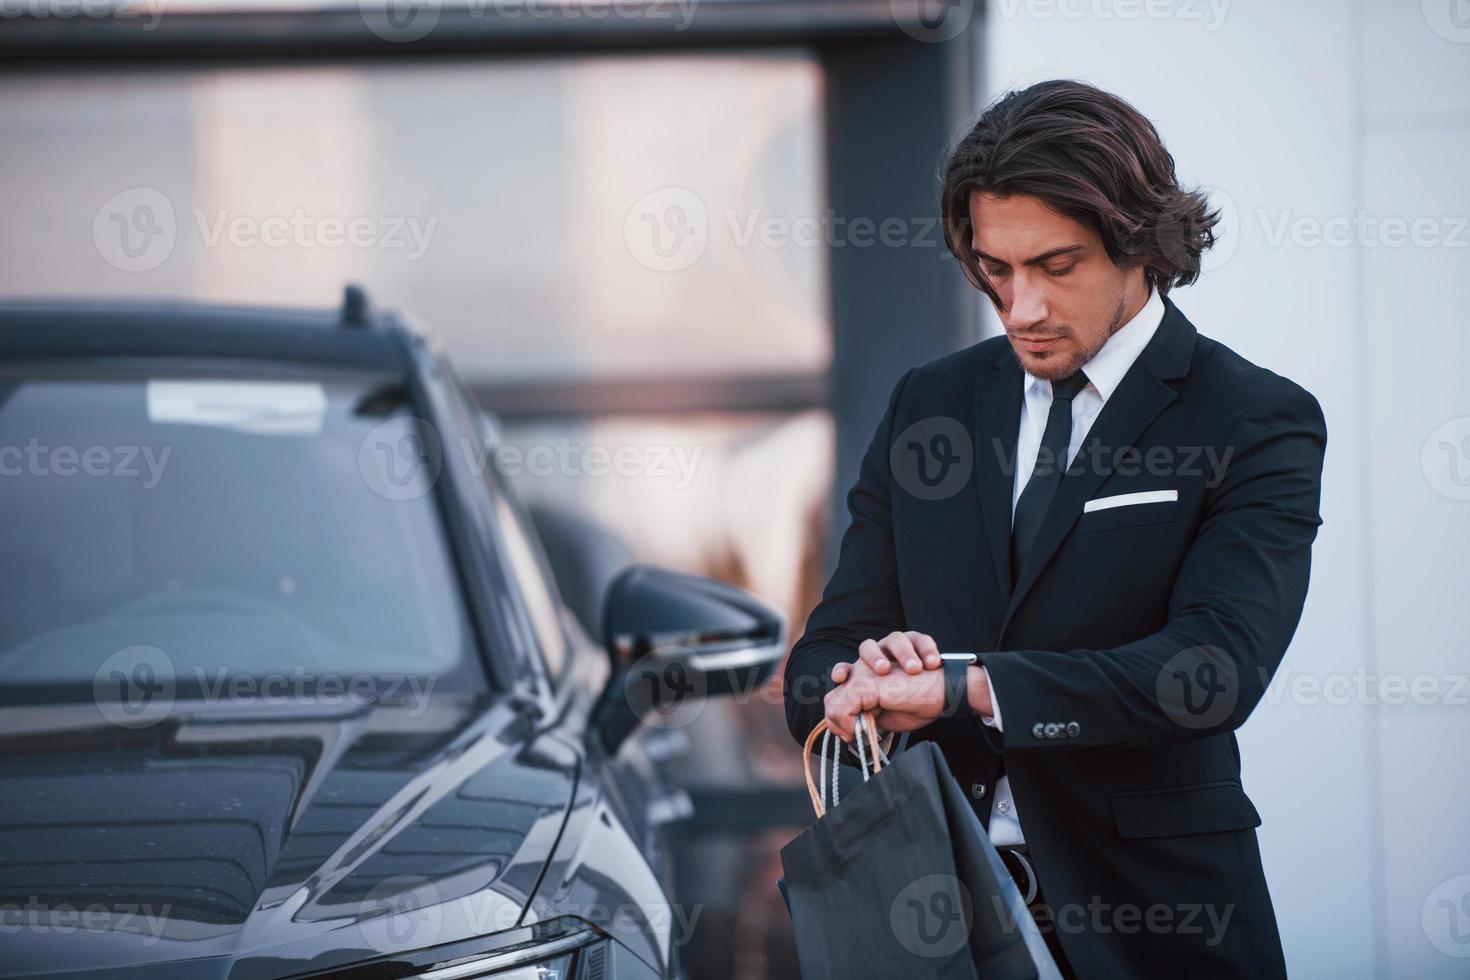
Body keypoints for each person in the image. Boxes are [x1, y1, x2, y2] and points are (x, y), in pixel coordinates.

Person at [783, 79, 1325, 978]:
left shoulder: (1253, 418)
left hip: (1157, 927)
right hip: (933, 923)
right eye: (995, 269)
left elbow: (1211, 672)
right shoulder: (933, 405)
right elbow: (821, 658)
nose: (1020, 307)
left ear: (1144, 244)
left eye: (1056, 266)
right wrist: (857, 683)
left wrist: (964, 687)